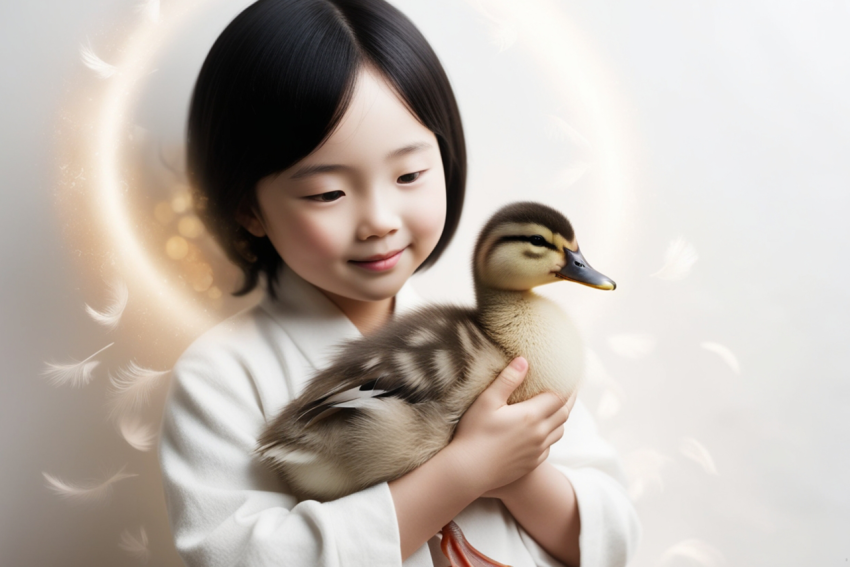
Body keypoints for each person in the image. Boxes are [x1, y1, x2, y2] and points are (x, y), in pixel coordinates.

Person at [158, 1, 641, 566]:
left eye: (409, 175)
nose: (380, 219)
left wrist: (518, 474)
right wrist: (462, 472)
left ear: (447, 161)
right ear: (248, 209)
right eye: (327, 193)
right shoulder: (220, 375)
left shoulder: (513, 345)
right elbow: (240, 557)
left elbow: (611, 538)